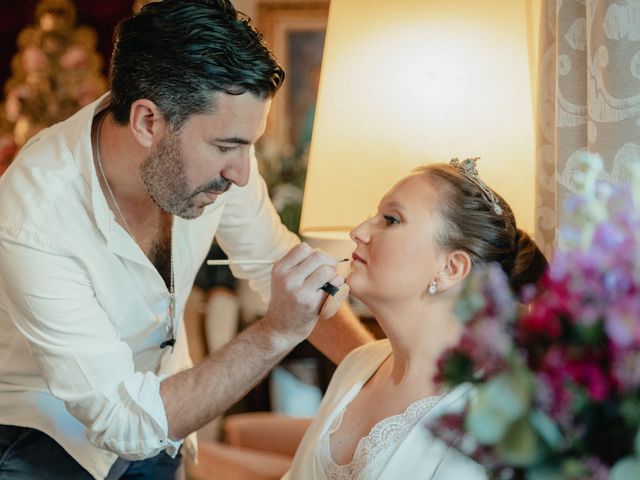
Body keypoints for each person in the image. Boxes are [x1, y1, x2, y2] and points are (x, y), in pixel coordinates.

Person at [0, 1, 372, 479]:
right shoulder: (31, 218)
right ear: (147, 122)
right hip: (40, 439)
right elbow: (120, 420)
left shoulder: (218, 158)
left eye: (249, 144)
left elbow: (274, 262)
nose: (241, 174)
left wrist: (382, 370)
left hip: (165, 417)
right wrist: (276, 331)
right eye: (225, 147)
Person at [284, 158, 548, 479]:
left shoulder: (491, 412)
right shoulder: (358, 365)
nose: (358, 232)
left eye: (391, 220)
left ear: (451, 269)